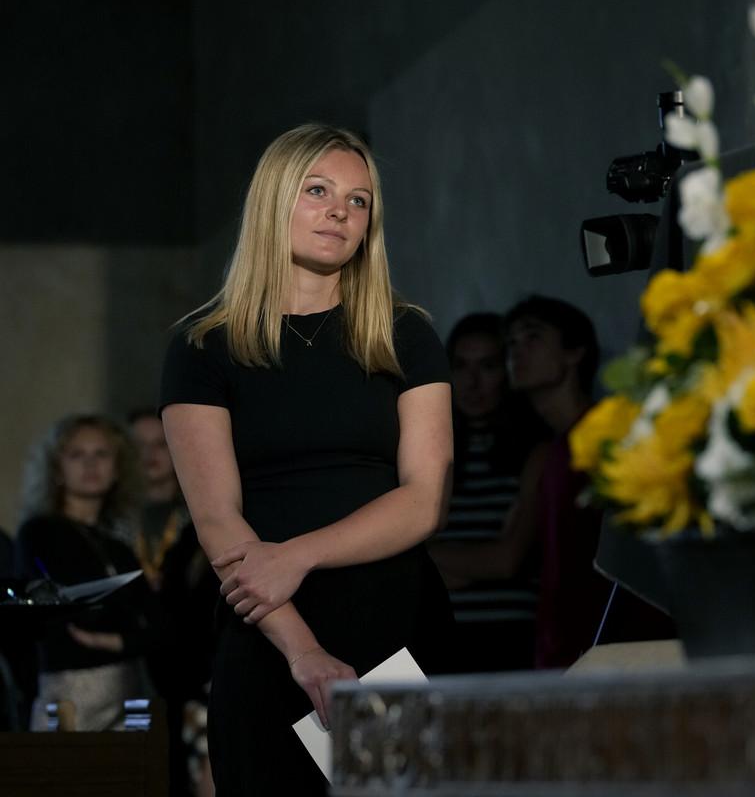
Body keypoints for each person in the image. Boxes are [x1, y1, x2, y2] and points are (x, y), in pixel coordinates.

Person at [160, 124, 454, 795]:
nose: (339, 213)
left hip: (394, 625)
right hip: (267, 630)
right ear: (274, 201)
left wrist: (297, 554)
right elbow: (216, 520)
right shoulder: (204, 348)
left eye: (358, 201)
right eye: (318, 191)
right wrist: (304, 651)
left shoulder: (405, 334)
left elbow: (423, 501)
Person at [504, 295, 673, 669]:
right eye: (511, 343)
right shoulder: (550, 451)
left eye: (532, 337)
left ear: (575, 352)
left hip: (617, 650)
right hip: (568, 650)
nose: (518, 352)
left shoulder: (610, 437)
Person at [427, 313, 550, 672]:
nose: (473, 382)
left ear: (508, 372)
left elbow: (509, 560)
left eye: (488, 366)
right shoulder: (433, 455)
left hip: (514, 637)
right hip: (444, 635)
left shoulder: (535, 450)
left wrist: (432, 554)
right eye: (461, 366)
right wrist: (483, 561)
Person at [15, 414, 150, 730]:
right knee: (66, 776)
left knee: (138, 776)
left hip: (130, 695)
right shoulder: (38, 533)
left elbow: (161, 629)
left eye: (101, 454)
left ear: (118, 468)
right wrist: (124, 630)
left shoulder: (119, 548)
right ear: (56, 468)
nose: (90, 465)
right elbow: (46, 614)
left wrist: (113, 641)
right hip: (67, 696)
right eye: (77, 454)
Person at [128, 408, 216, 797]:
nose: (150, 455)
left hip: (192, 677)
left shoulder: (205, 519)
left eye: (160, 444)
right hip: (131, 675)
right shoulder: (108, 523)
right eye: (137, 446)